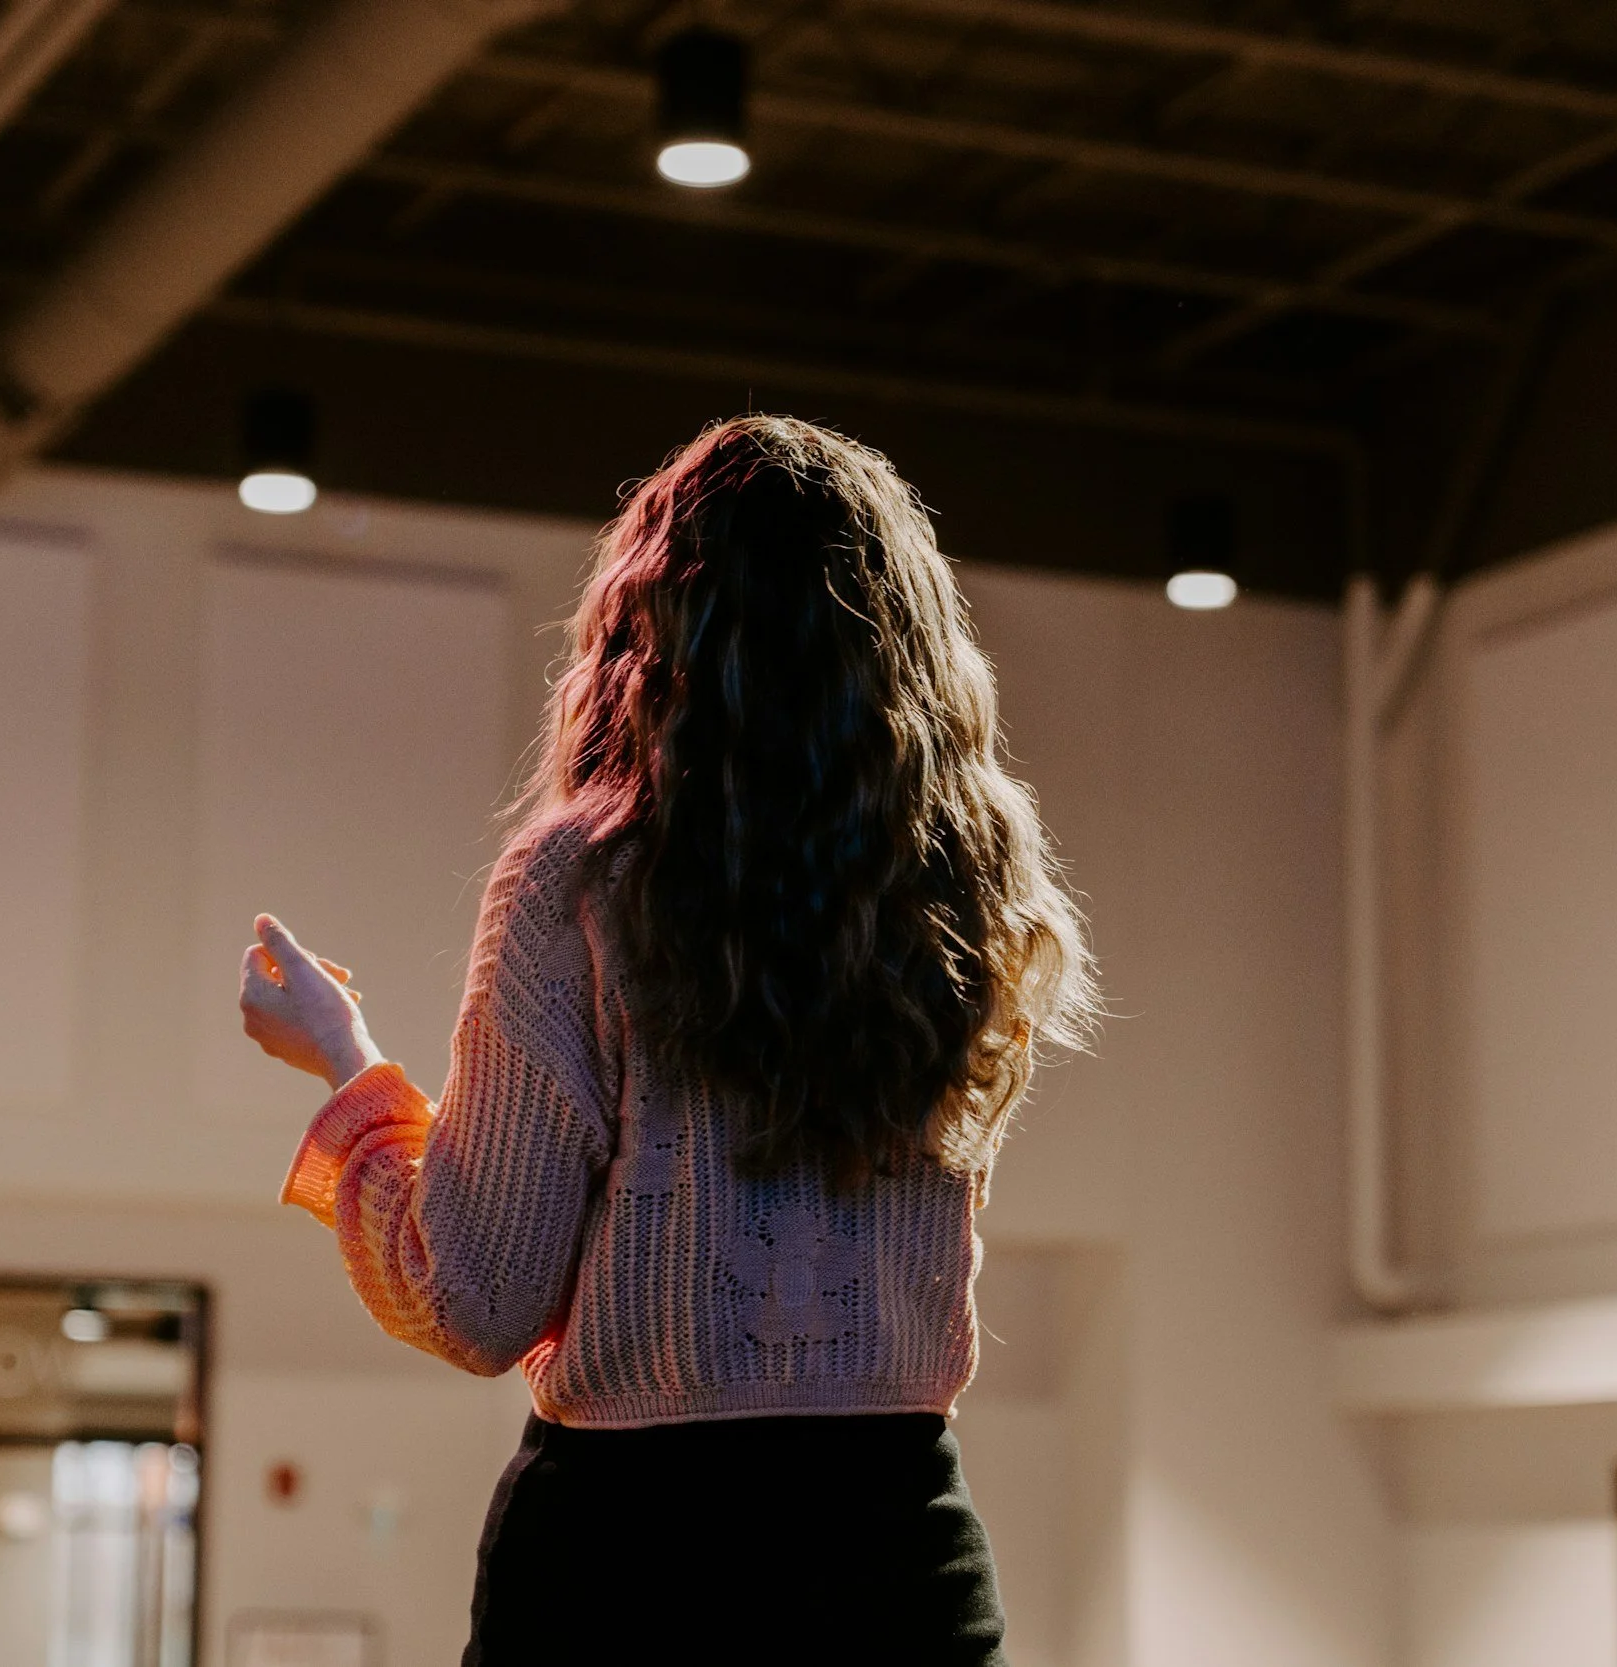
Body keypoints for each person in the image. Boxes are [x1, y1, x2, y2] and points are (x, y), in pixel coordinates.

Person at [238, 414, 1097, 1667]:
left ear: (649, 627)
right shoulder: (961, 891)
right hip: (896, 1561)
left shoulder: (583, 880)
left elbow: (475, 1297)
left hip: (631, 1570)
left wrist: (347, 1060)